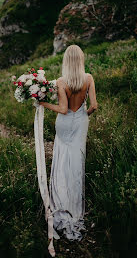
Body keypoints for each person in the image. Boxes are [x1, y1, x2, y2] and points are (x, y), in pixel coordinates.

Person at [39, 44, 98, 244]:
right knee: (76, 160)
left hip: (64, 125)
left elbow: (63, 109)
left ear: (66, 61)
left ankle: (61, 196)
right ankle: (74, 202)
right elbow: (94, 106)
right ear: (80, 60)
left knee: (62, 158)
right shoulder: (89, 78)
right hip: (80, 123)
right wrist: (83, 116)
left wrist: (43, 104)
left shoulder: (61, 82)